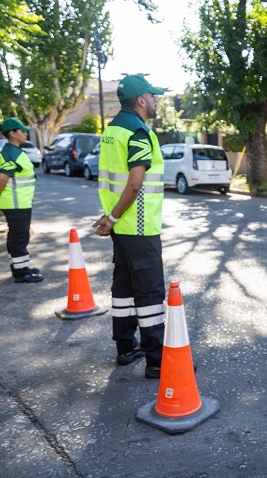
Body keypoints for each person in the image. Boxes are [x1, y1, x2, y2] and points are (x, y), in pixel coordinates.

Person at [93, 74, 166, 379]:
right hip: (139, 225)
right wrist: (111, 219)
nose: (156, 101)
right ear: (141, 100)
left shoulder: (112, 131)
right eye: (153, 96)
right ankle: (157, 360)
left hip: (122, 227)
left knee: (123, 287)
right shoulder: (138, 132)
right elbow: (135, 183)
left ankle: (125, 347)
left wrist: (111, 218)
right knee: (149, 293)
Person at [0, 117, 43, 283]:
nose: (25, 134)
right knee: (19, 237)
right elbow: (2, 179)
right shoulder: (12, 154)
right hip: (16, 203)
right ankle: (21, 273)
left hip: (15, 201)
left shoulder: (10, 152)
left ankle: (20, 267)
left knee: (16, 236)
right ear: (12, 133)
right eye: (22, 131)